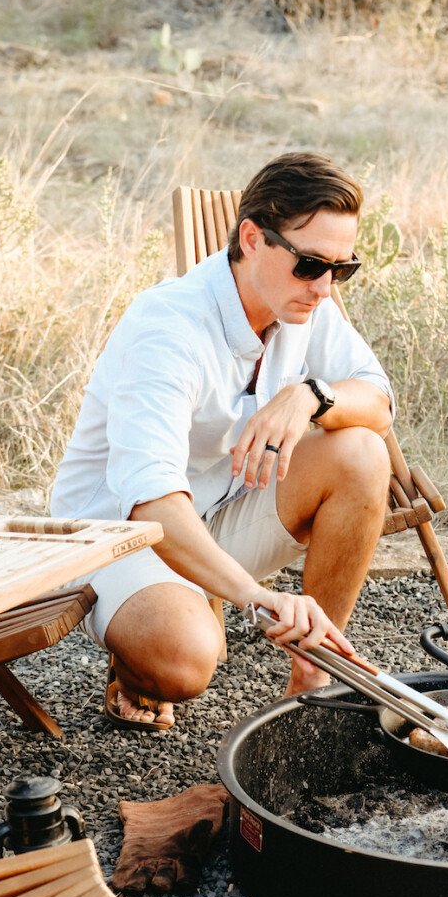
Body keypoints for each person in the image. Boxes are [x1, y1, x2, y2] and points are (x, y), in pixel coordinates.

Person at [51, 151, 394, 731]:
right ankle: (139, 655)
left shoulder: (306, 302)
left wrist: (311, 394)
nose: (325, 287)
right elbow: (151, 502)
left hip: (218, 512)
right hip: (118, 536)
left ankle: (314, 667)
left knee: (361, 452)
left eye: (343, 268)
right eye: (310, 264)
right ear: (252, 237)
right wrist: (258, 600)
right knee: (184, 660)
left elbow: (379, 403)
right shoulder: (168, 327)